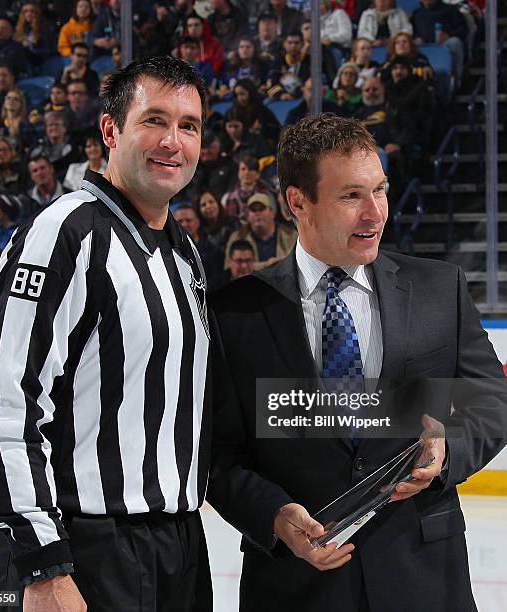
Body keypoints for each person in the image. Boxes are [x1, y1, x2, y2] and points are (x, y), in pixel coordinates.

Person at [206, 113, 507, 612]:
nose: (375, 214)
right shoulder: (235, 313)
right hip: (295, 587)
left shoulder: (440, 288)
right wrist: (274, 515)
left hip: (425, 580)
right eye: (351, 196)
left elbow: (492, 403)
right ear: (298, 202)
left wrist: (448, 450)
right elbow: (216, 453)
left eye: (380, 191)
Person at [0, 55, 213, 612]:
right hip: (82, 552)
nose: (173, 141)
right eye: (154, 120)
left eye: (189, 125)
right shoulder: (65, 234)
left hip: (177, 548)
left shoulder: (184, 252)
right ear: (110, 130)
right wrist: (42, 563)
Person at [224, 191, 297, 270]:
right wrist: (267, 265)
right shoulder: (237, 237)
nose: (257, 213)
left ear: (272, 212)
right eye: (253, 210)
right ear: (248, 215)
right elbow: (229, 267)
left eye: (261, 209)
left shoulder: (291, 236)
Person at [412, 0, 467, 85]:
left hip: (444, 45)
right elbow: (412, 33)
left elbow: (463, 30)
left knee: (454, 42)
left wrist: (449, 35)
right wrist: (416, 39)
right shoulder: (416, 13)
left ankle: (455, 80)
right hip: (424, 47)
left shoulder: (450, 10)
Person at [173, 203, 225, 290]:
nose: (184, 224)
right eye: (180, 221)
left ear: (197, 222)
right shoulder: (166, 253)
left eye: (188, 220)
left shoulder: (214, 251)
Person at [222, 155, 275, 221]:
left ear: (257, 174)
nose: (246, 172)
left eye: (251, 169)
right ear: (238, 173)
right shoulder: (228, 197)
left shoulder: (268, 194)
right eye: (243, 169)